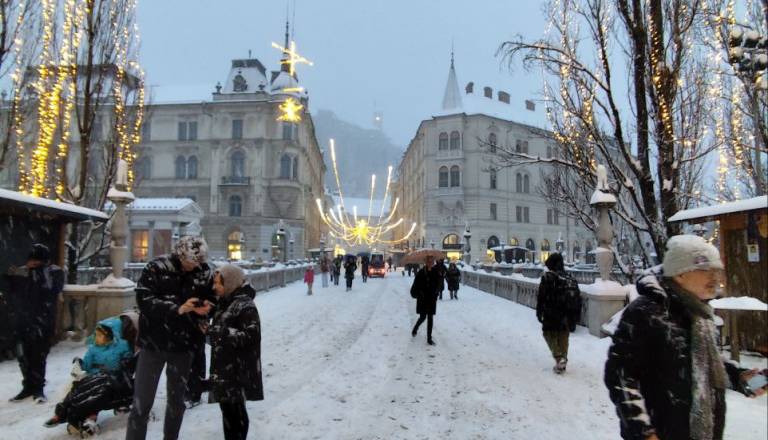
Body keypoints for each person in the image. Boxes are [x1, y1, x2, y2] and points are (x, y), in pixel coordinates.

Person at [604, 235, 766, 440]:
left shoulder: (700, 313)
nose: (715, 277)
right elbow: (620, 375)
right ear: (680, 274)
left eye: (717, 270)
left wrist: (739, 377)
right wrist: (642, 431)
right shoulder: (646, 312)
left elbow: (702, 365)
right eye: (705, 270)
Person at [125, 236, 214, 440]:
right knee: (142, 403)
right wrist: (177, 309)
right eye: (192, 262)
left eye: (199, 262)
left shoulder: (203, 271)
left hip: (183, 346)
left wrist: (207, 309)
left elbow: (212, 298)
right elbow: (144, 300)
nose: (196, 266)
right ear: (181, 255)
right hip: (153, 344)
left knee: (176, 402)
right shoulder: (156, 267)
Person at [44, 316, 134, 435]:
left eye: (100, 335)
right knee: (75, 390)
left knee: (97, 396)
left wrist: (126, 359)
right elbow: (86, 365)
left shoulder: (118, 348)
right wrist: (79, 363)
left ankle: (90, 420)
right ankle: (59, 414)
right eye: (96, 335)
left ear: (108, 337)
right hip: (93, 377)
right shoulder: (93, 350)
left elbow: (128, 358)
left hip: (109, 379)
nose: (97, 338)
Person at [206, 264, 263, 440]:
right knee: (228, 412)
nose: (215, 287)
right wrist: (206, 331)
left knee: (235, 414)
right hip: (225, 368)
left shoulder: (245, 305)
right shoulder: (225, 302)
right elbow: (218, 336)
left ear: (230, 283)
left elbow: (251, 337)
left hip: (237, 370)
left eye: (218, 283)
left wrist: (216, 332)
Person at [5, 243, 64, 404]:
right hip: (23, 320)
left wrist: (36, 271)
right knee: (23, 355)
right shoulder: (24, 272)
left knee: (38, 355)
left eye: (35, 260)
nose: (31, 263)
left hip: (42, 321)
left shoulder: (53, 272)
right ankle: (28, 386)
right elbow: (14, 292)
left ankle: (38, 388)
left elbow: (50, 289)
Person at [536, 253, 581, 374]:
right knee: (563, 335)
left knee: (548, 334)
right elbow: (578, 297)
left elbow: (541, 297)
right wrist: (575, 316)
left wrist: (539, 312)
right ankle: (563, 360)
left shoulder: (548, 278)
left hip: (552, 312)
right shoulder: (569, 278)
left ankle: (559, 358)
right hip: (567, 314)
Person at [410, 255, 440, 345]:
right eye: (428, 261)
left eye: (432, 261)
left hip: (431, 299)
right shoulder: (421, 272)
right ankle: (416, 327)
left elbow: (438, 284)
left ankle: (429, 338)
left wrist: (436, 292)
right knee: (423, 317)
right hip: (423, 298)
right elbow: (416, 285)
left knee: (430, 318)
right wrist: (420, 293)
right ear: (426, 262)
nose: (430, 263)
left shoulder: (435, 272)